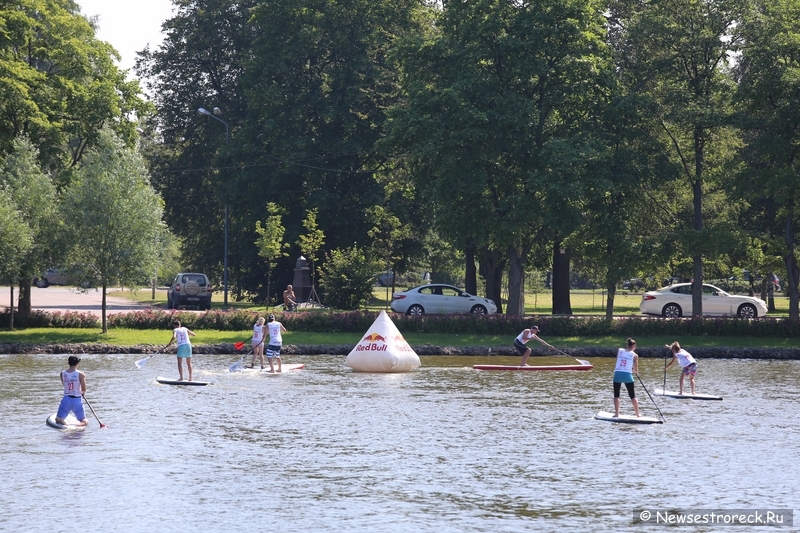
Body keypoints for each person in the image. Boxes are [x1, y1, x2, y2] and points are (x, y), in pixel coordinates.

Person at [56, 355, 88, 426]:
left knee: (58, 418)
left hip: (66, 398)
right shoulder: (81, 374)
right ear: (77, 364)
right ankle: (78, 425)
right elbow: (84, 389)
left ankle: (62, 421)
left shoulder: (62, 373)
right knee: (84, 420)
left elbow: (64, 384)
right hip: (77, 400)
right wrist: (82, 392)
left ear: (68, 363)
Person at [613, 338, 641, 418]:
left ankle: (617, 413)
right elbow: (636, 370)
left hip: (617, 374)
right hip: (627, 376)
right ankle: (638, 414)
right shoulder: (635, 355)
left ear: (627, 345)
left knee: (616, 394)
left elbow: (618, 361)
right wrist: (632, 370)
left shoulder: (620, 350)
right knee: (632, 395)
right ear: (634, 346)